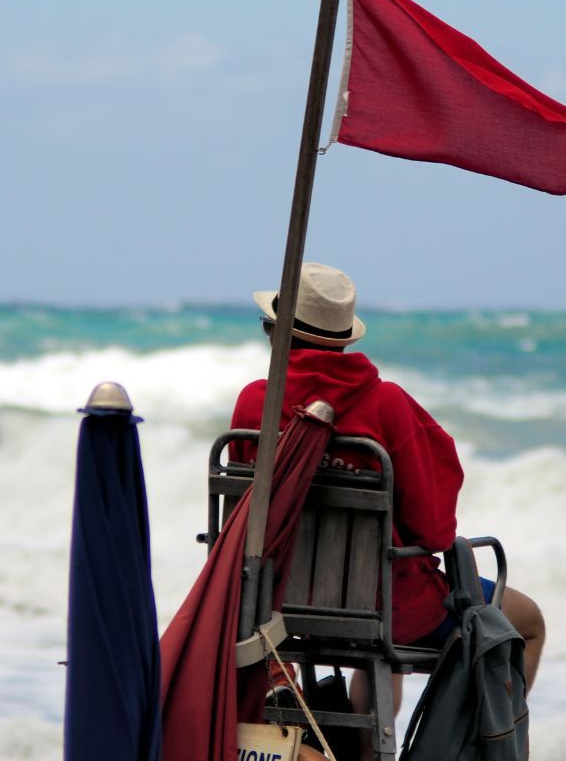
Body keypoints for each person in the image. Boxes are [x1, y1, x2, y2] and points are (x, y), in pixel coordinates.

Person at [230, 262, 544, 757]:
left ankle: (358, 747)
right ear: (343, 340)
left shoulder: (256, 404)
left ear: (279, 333)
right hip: (386, 610)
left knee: (377, 618)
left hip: (276, 609)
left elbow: (247, 520)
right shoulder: (387, 405)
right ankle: (483, 750)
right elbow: (435, 530)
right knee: (526, 621)